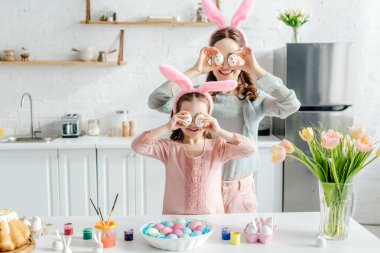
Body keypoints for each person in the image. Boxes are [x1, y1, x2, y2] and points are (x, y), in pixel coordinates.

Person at [147, 0, 301, 213]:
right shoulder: (198, 96)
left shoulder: (253, 98)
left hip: (240, 190)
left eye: (233, 57)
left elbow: (291, 104)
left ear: (243, 58)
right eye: (219, 57)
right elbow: (156, 101)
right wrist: (195, 69)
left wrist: (256, 70)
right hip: (203, 188)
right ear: (211, 57)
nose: (226, 64)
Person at [132, 65, 256, 215]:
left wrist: (219, 131)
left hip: (212, 221)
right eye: (187, 117)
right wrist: (167, 126)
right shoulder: (169, 148)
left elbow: (249, 149)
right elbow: (138, 146)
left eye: (199, 117)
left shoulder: (218, 147)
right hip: (176, 224)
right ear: (177, 116)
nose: (192, 123)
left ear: (208, 117)